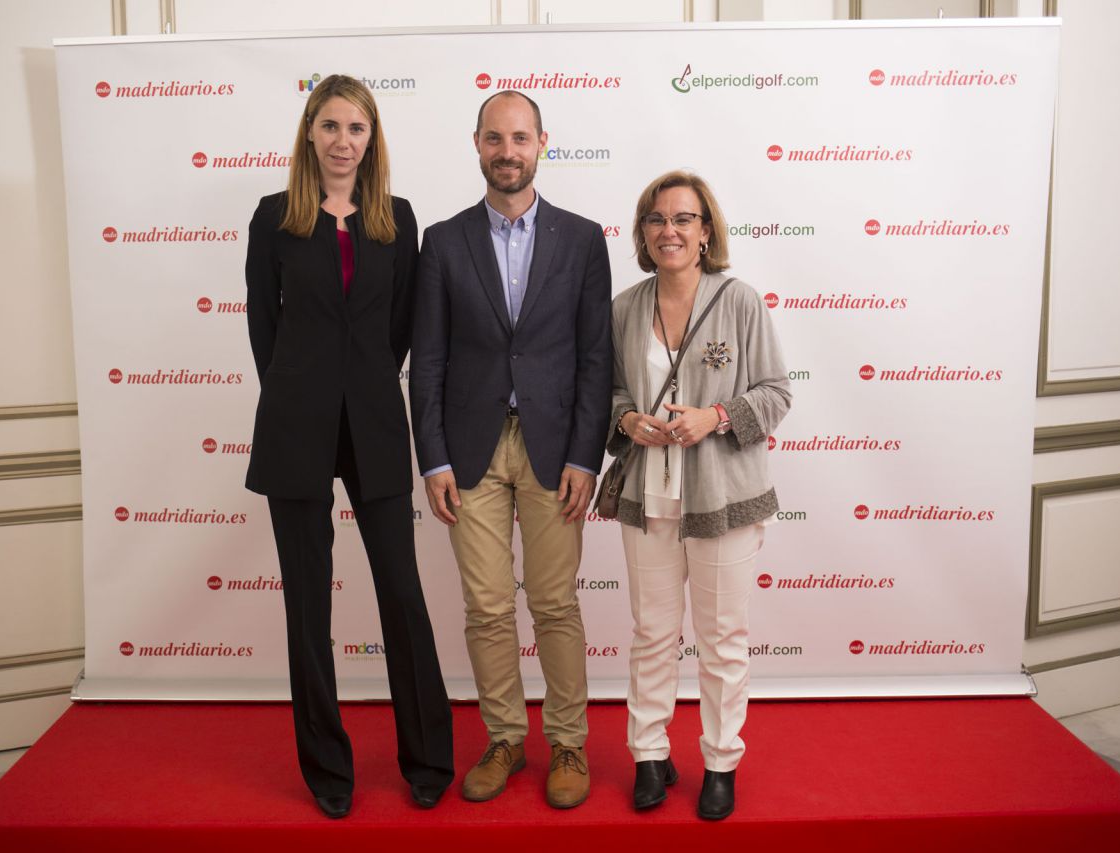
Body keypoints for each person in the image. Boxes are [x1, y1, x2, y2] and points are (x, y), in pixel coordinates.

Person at [244, 74, 453, 819]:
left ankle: (428, 755)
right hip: (295, 428)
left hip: (372, 423)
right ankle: (327, 769)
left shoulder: (397, 217)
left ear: (372, 139)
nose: (342, 141)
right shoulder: (274, 219)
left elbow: (400, 326)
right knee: (308, 607)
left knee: (402, 590)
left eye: (356, 128)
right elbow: (262, 331)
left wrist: (355, 381)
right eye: (330, 126)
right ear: (310, 132)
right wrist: (306, 389)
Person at [409, 90, 612, 809]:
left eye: (520, 137)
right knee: (488, 608)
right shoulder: (442, 240)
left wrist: (587, 457)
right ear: (477, 144)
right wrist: (431, 458)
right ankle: (504, 737)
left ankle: (567, 742)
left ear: (542, 143)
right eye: (495, 138)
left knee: (555, 603)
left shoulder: (585, 239)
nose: (508, 150)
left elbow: (596, 358)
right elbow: (426, 360)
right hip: (470, 453)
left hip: (557, 452)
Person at [608, 170, 791, 820]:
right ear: (643, 232)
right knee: (652, 633)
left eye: (683, 219)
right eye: (657, 219)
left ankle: (720, 760)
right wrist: (629, 422)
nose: (670, 230)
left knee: (721, 636)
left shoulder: (739, 300)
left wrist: (713, 418)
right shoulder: (625, 307)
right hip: (648, 498)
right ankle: (649, 752)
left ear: (706, 229)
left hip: (724, 500)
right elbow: (610, 395)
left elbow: (776, 393)